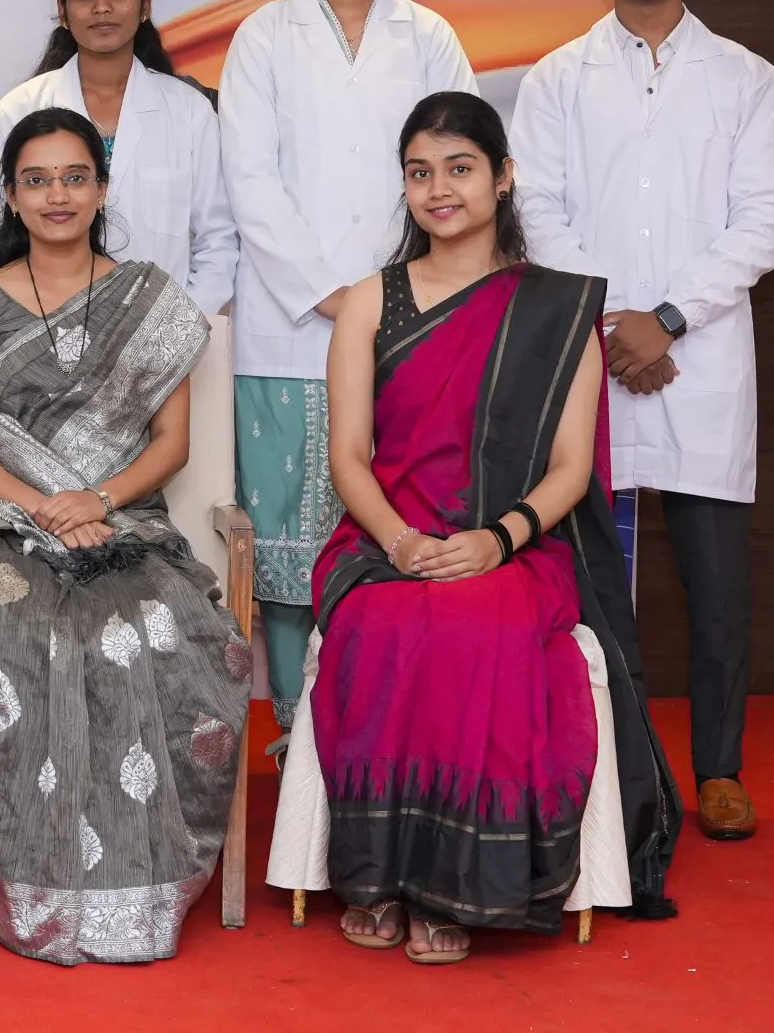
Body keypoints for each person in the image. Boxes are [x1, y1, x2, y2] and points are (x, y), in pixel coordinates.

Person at [310, 90, 678, 962]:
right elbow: (349, 457)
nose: (440, 189)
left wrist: (495, 540)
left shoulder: (559, 311)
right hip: (384, 540)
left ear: (504, 176)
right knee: (388, 620)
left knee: (478, 625)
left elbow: (570, 470)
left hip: (515, 545)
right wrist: (403, 544)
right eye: (420, 173)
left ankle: (457, 885)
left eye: (460, 168)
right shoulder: (370, 302)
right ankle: (382, 875)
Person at [0, 106, 246, 965]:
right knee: (29, 639)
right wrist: (42, 504)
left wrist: (94, 499)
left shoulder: (151, 300)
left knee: (156, 635)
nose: (56, 195)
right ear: (10, 196)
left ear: (101, 188)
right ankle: (31, 881)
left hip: (120, 520)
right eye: (36, 180)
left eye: (73, 177)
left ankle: (141, 887)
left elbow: (171, 445)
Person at [509, 0, 774, 842]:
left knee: (716, 584)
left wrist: (666, 319)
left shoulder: (746, 78)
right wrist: (610, 322)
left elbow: (765, 219)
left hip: (699, 357)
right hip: (590, 353)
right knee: (591, 573)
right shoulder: (555, 78)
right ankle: (607, 762)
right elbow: (536, 210)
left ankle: (720, 769)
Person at [217, 0, 477, 734]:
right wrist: (334, 294)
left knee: (398, 534)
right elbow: (250, 182)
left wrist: (402, 296)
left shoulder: (430, 35)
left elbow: (457, 174)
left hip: (410, 324)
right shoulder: (263, 36)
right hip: (290, 328)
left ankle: (382, 724)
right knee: (288, 551)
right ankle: (299, 734)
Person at [0, 0, 239, 314]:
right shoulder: (20, 109)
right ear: (63, 11)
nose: (102, 6)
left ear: (145, 5)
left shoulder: (190, 111)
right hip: (42, 332)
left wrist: (176, 331)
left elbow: (217, 243)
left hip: (164, 335)